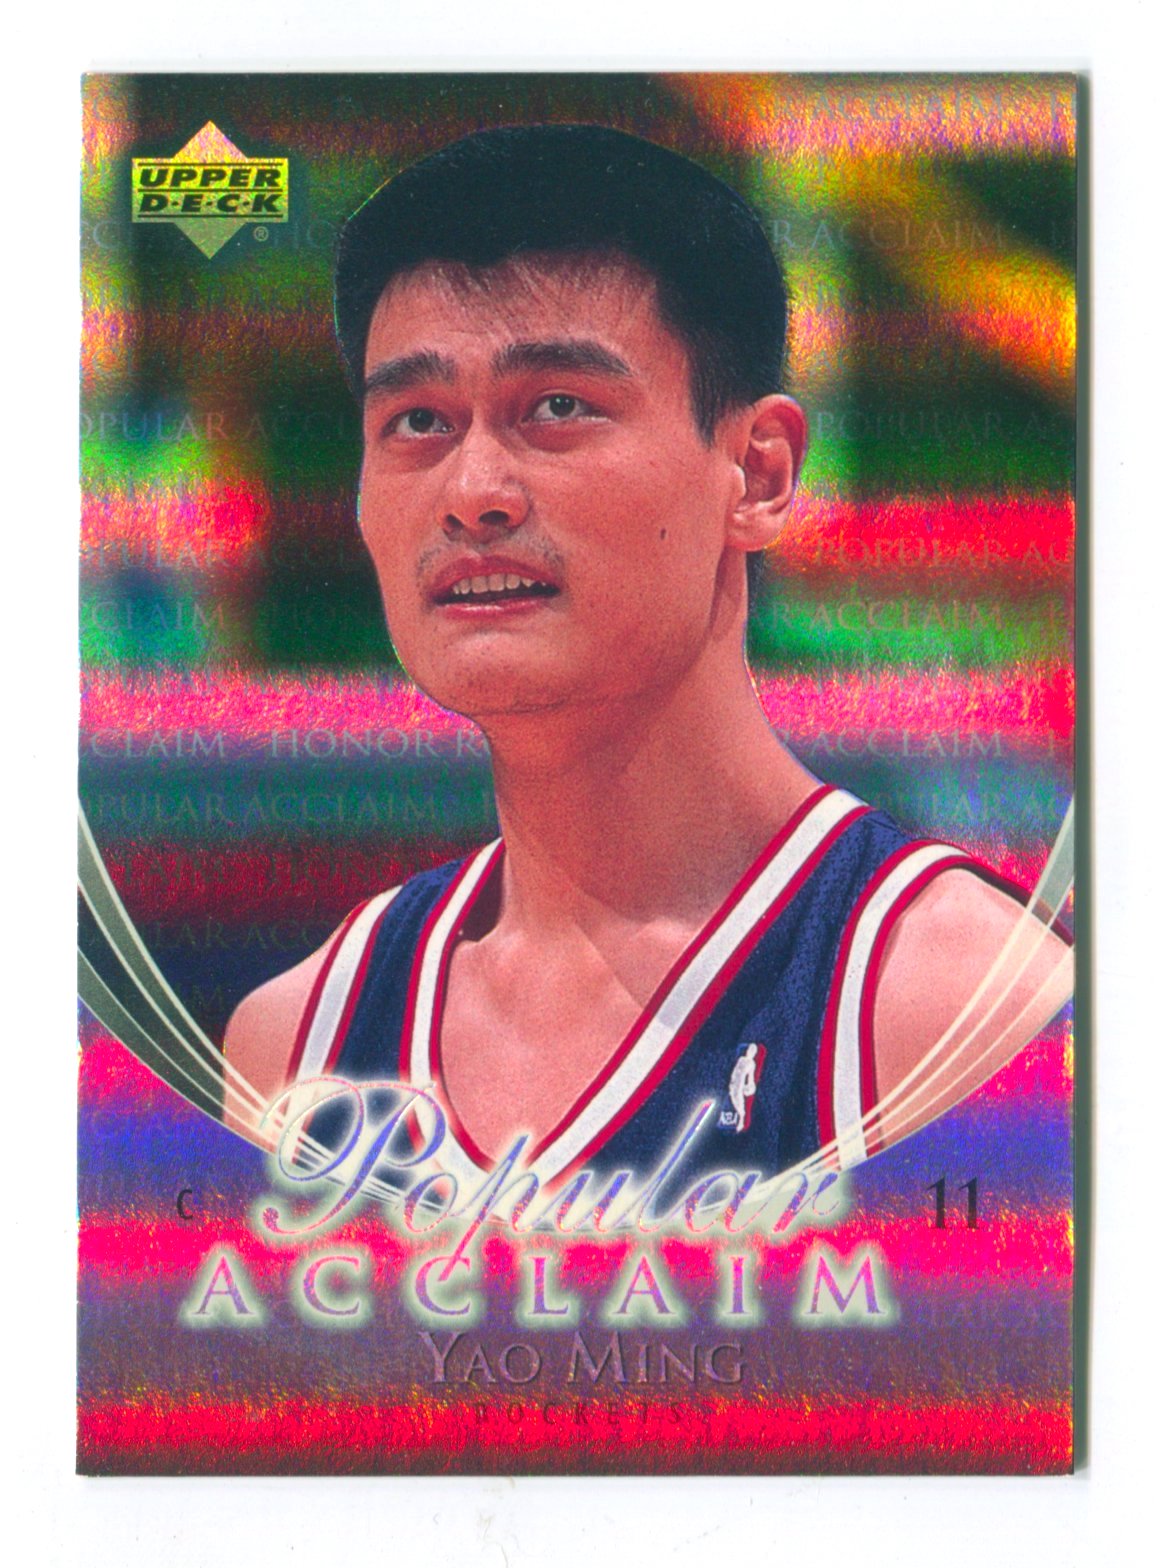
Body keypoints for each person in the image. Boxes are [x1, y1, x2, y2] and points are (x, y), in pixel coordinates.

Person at [225, 125, 1071, 1186]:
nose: (472, 492)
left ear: (759, 474)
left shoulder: (959, 1007)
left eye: (558, 408)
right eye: (418, 421)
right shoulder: (297, 1041)